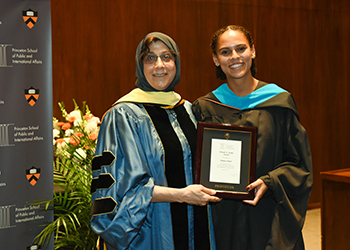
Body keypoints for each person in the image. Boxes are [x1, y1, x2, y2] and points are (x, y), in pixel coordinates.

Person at [90, 32, 221, 250]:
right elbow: (125, 187)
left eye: (167, 57)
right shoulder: (123, 115)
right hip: (150, 232)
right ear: (140, 65)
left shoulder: (188, 110)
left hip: (197, 225)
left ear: (176, 63)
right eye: (150, 58)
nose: (159, 65)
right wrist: (182, 196)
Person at [192, 25, 313, 250]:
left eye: (241, 49)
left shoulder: (279, 102)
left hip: (268, 211)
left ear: (253, 51)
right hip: (223, 215)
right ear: (216, 59)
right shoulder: (205, 107)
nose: (235, 57)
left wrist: (270, 181)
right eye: (225, 52)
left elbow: (299, 163)